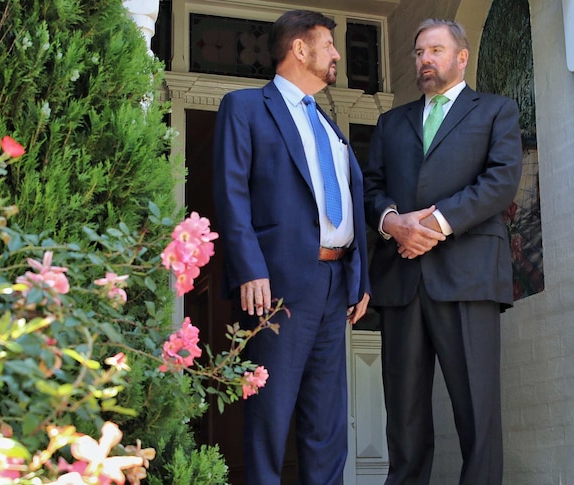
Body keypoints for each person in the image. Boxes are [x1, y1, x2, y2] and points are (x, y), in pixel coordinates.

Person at [212, 9, 371, 485]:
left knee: (327, 424)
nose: (337, 54)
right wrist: (250, 269)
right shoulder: (244, 107)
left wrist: (358, 276)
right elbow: (231, 192)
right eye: (329, 45)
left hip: (333, 284)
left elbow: (346, 197)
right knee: (269, 417)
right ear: (300, 49)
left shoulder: (327, 124)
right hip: (276, 288)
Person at [361, 18, 522, 485]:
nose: (424, 60)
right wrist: (393, 223)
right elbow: (371, 188)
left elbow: (500, 181)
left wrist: (433, 224)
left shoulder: (496, 111)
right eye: (418, 52)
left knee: (477, 412)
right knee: (404, 417)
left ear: (461, 57)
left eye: (434, 50)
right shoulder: (392, 122)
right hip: (402, 282)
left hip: (469, 277)